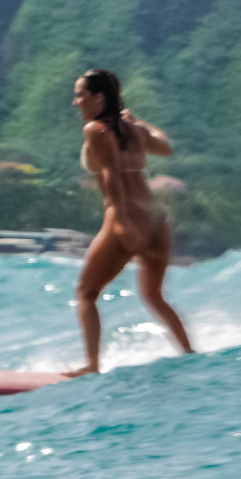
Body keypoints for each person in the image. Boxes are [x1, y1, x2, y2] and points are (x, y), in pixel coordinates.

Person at [66, 69, 194, 376]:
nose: (76, 102)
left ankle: (92, 366)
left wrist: (122, 224)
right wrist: (137, 121)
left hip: (127, 216)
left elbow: (111, 174)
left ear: (99, 97)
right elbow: (165, 145)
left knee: (87, 293)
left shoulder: (95, 130)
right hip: (155, 217)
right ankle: (190, 353)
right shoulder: (131, 129)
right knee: (154, 296)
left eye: (81, 94)